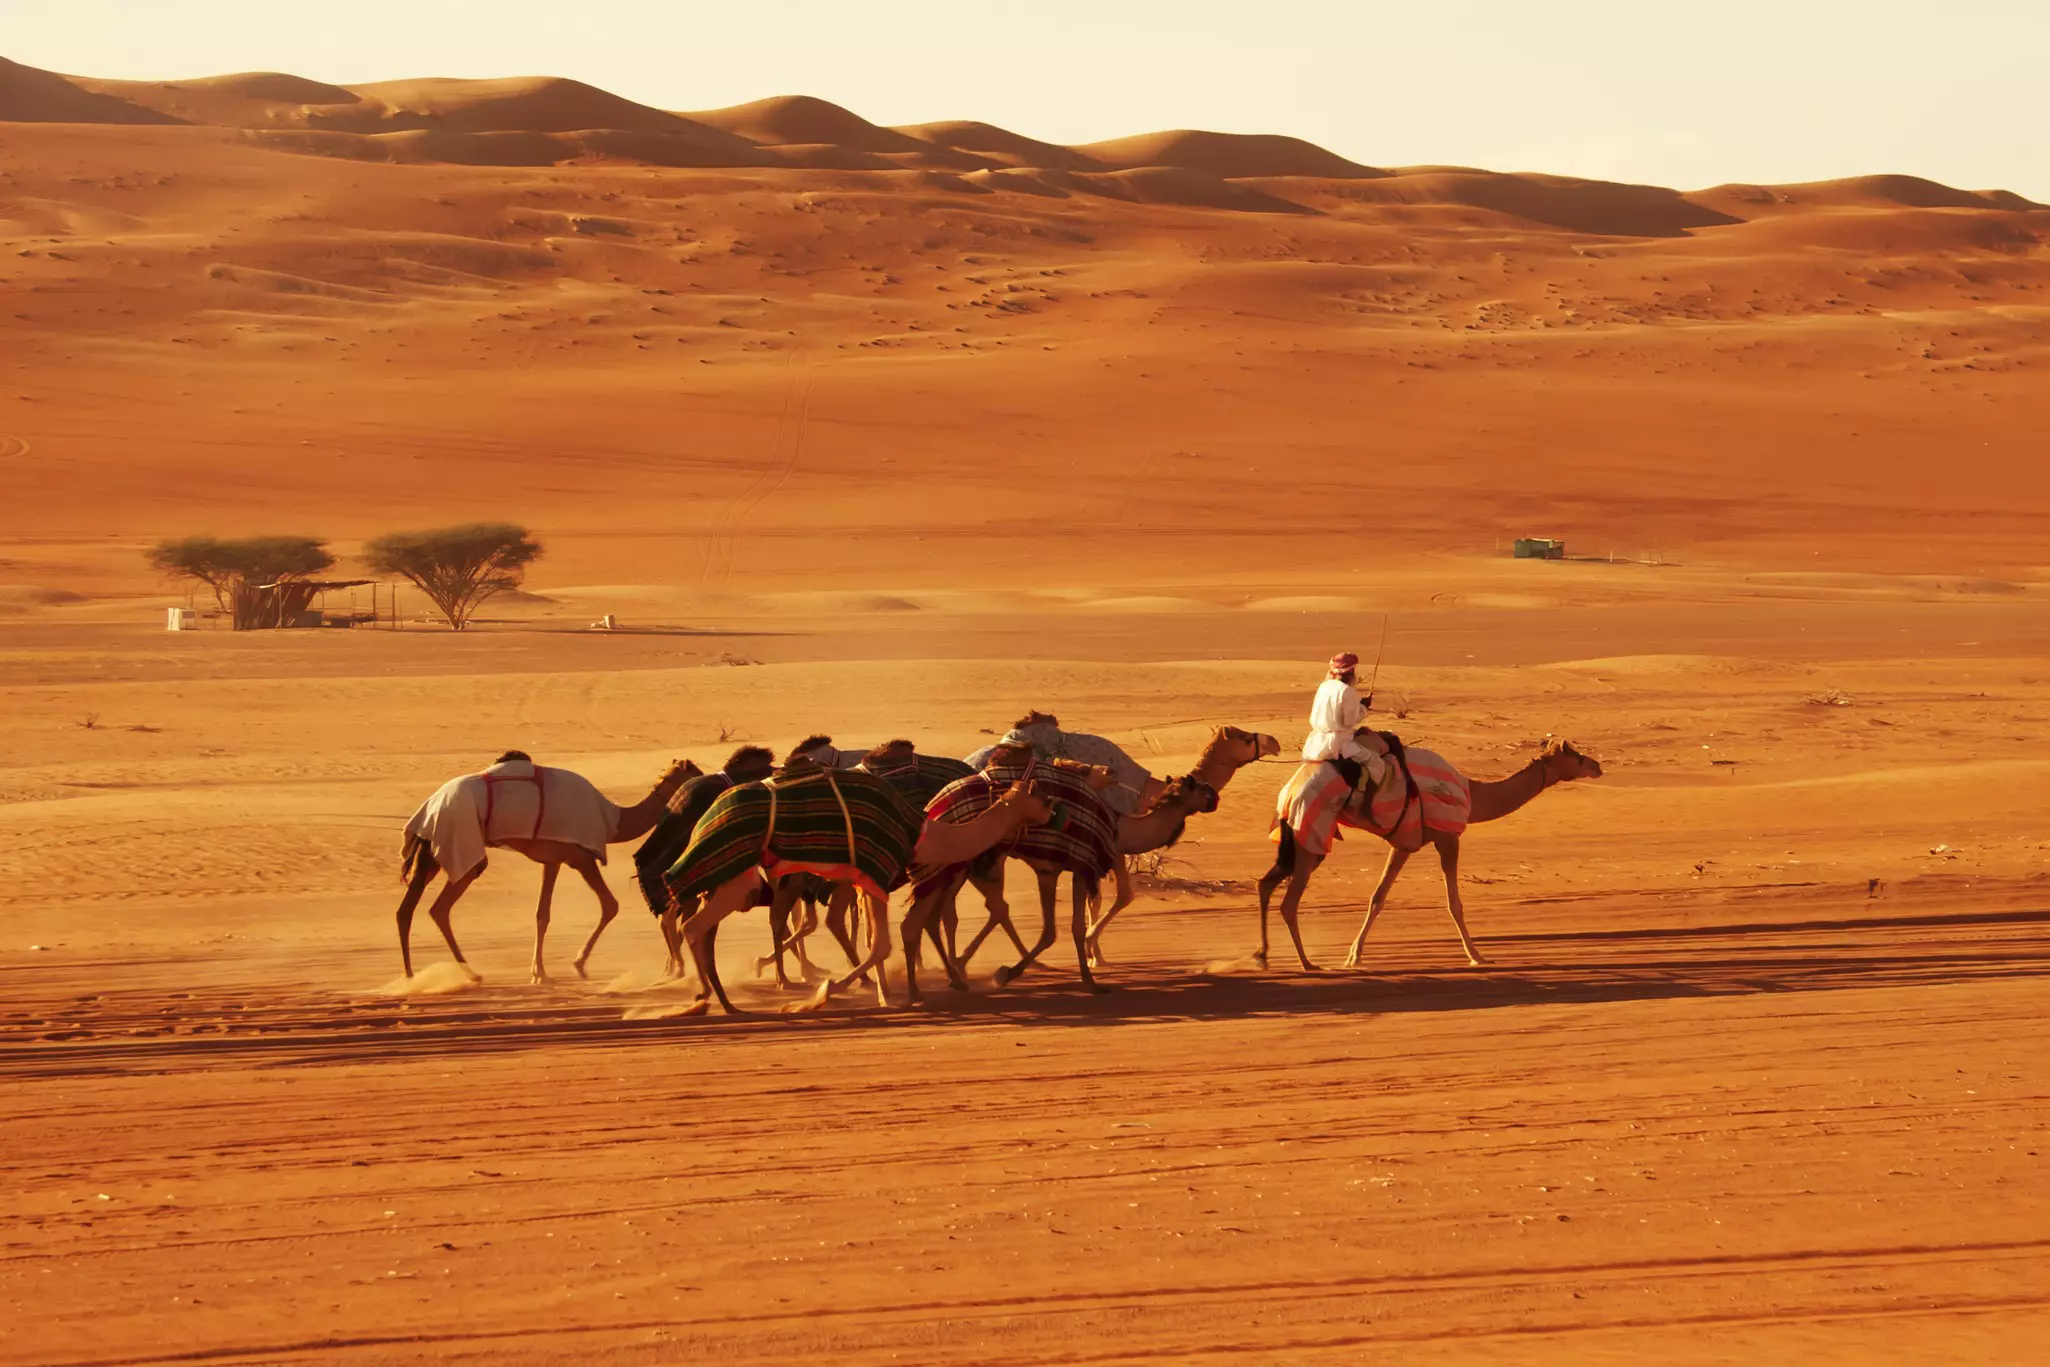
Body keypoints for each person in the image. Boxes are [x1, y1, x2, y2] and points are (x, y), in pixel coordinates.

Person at [1302, 652, 1380, 771]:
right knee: (1375, 763)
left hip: (1316, 744)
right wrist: (1364, 707)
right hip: (1339, 745)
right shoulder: (1347, 691)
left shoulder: (1324, 686)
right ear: (1351, 671)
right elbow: (1349, 721)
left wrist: (1359, 705)